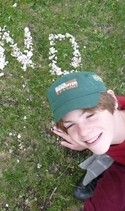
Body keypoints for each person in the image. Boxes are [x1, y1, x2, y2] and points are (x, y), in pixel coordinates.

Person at [47, 71, 125, 210]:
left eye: (89, 116)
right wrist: (91, 141)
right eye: (71, 125)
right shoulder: (112, 115)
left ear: (113, 101)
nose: (83, 132)